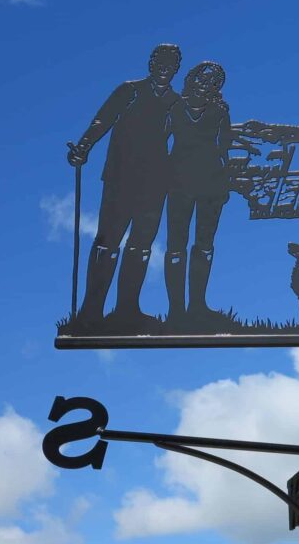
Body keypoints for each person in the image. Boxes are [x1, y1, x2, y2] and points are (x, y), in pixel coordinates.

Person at [67, 43, 182, 330]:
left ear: (176, 69)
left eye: (170, 64)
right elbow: (101, 119)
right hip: (121, 177)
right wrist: (84, 147)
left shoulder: (177, 102)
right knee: (107, 242)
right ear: (150, 63)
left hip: (155, 182)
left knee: (142, 245)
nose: (164, 68)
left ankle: (127, 309)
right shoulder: (129, 90)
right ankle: (91, 311)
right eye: (159, 61)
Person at [163, 61, 231, 325]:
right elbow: (159, 144)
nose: (206, 85)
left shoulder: (219, 113)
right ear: (192, 79)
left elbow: (224, 149)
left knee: (204, 245)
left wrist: (223, 185)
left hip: (211, 185)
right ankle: (176, 310)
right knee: (176, 246)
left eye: (214, 83)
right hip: (179, 184)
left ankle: (197, 306)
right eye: (203, 79)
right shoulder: (174, 108)